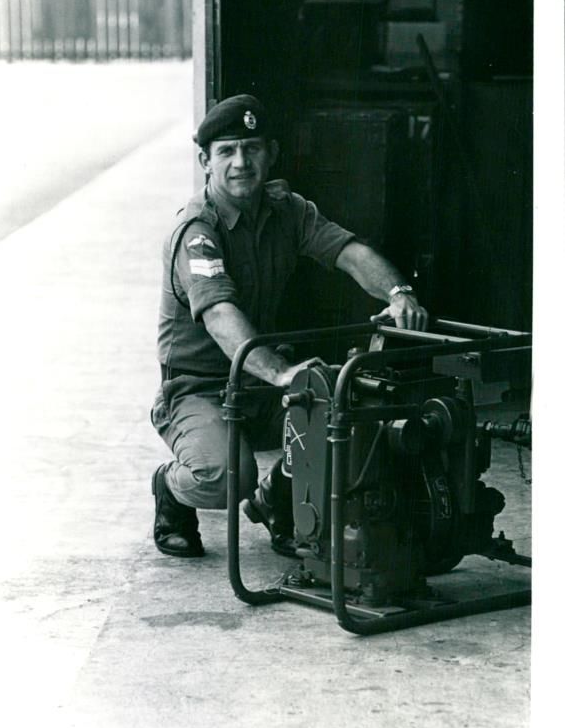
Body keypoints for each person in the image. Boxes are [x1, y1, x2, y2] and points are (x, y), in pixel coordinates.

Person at [150, 94, 428, 558]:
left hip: (260, 384)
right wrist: (281, 372)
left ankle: (277, 499)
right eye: (227, 151)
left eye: (253, 148)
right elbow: (220, 314)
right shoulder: (197, 232)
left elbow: (350, 252)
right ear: (205, 161)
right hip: (198, 388)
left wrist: (399, 293)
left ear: (271, 153)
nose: (242, 162)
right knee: (224, 477)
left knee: (348, 420)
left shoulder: (287, 210)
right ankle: (170, 489)